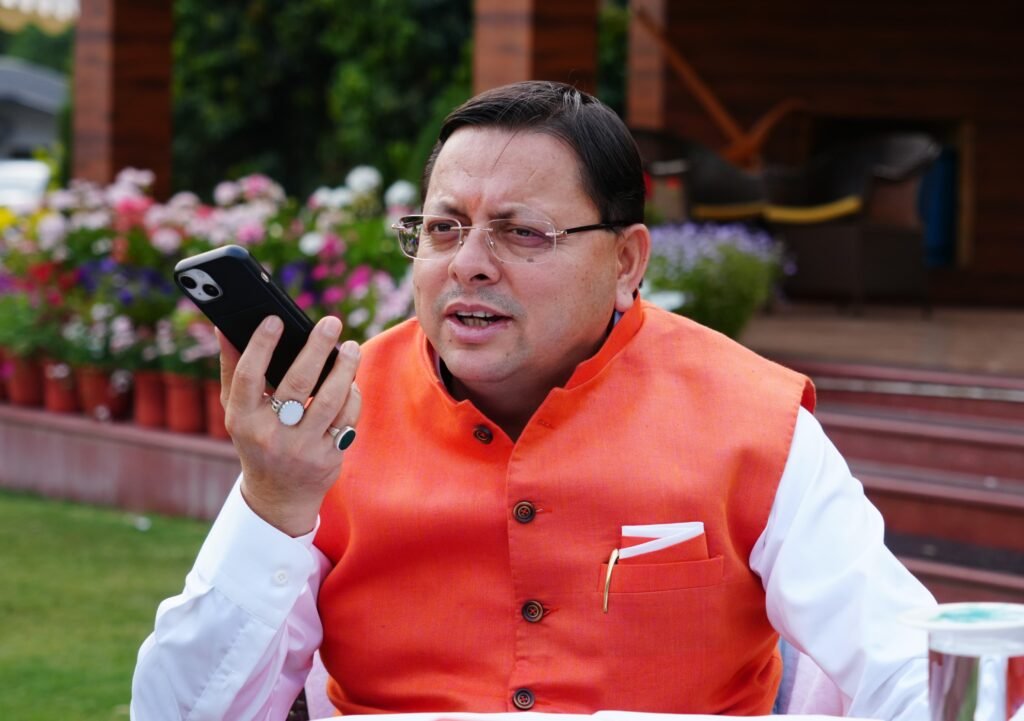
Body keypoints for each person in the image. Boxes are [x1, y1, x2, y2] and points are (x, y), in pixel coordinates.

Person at [131, 80, 936, 721]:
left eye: (523, 232)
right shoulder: (334, 420)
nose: (469, 264)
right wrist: (272, 503)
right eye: (444, 228)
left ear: (626, 261)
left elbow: (904, 661)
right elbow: (177, 712)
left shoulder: (752, 417)